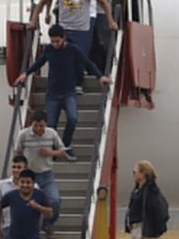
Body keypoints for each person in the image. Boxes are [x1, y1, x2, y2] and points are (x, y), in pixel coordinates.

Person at [16, 24, 112, 160]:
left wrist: (100, 76)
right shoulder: (49, 50)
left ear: (63, 38)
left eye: (57, 41)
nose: (54, 44)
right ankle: (55, 149)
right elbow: (39, 62)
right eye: (52, 41)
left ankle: (65, 145)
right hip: (52, 94)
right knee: (51, 125)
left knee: (73, 119)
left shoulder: (73, 50)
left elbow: (87, 63)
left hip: (68, 92)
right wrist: (26, 73)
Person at [13, 110, 70, 239]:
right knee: (29, 202)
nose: (38, 129)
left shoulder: (51, 134)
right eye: (35, 126)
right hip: (30, 174)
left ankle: (48, 224)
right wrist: (21, 169)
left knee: (55, 200)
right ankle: (29, 228)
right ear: (31, 124)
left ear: (46, 125)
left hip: (47, 173)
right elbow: (17, 153)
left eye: (41, 126)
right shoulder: (23, 135)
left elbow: (63, 152)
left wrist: (50, 153)